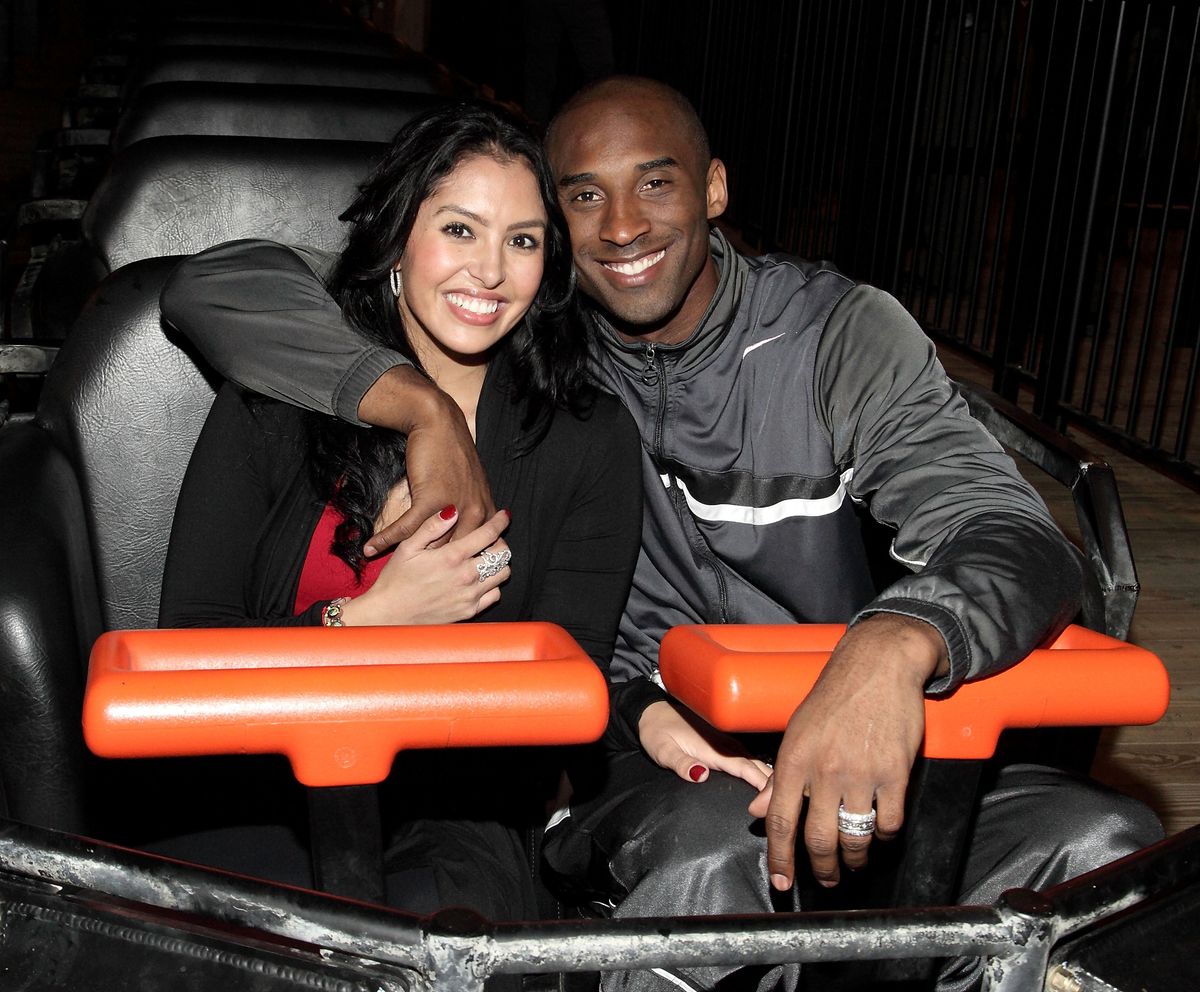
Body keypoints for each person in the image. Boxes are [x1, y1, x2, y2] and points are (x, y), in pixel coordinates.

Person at [161, 78, 1161, 992]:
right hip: (657, 761)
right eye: (583, 198)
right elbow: (225, 285)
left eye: (654, 183)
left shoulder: (826, 337)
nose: (623, 225)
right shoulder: (545, 358)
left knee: (1106, 842)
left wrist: (896, 644)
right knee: (706, 855)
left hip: (869, 725)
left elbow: (1010, 532)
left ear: (715, 188)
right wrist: (418, 408)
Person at [158, 102, 643, 929]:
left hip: (459, 805)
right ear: (397, 241)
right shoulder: (281, 394)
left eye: (522, 241)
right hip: (257, 786)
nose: (489, 272)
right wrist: (368, 622)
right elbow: (190, 648)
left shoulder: (586, 438)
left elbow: (565, 697)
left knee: (440, 933)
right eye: (460, 230)